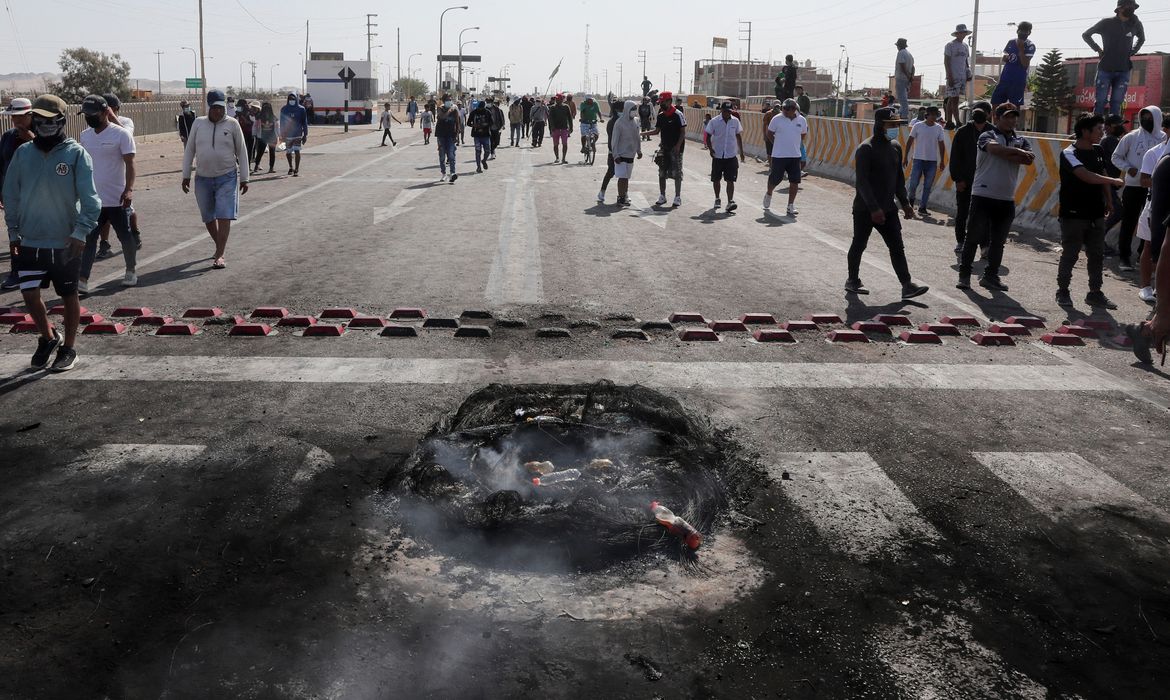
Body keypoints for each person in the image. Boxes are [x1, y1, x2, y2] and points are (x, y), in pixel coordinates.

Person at [3, 94, 101, 371]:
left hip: (65, 241)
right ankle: (48, 337)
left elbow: (92, 200)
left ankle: (68, 348)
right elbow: (10, 194)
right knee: (29, 293)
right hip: (30, 240)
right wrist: (13, 231)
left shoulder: (76, 153)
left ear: (61, 121)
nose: (43, 124)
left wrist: (81, 232)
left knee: (69, 295)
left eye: (49, 119)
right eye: (39, 118)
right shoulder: (23, 154)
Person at [846, 107, 929, 299]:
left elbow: (898, 179)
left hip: (889, 208)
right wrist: (874, 208)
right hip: (865, 209)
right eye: (891, 125)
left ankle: (907, 285)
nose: (894, 128)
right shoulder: (866, 149)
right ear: (879, 124)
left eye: (896, 125)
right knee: (859, 244)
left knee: (897, 246)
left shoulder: (895, 147)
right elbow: (862, 183)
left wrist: (905, 203)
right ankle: (852, 280)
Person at [956, 103, 1034, 291]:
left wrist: (1013, 153)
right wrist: (1016, 153)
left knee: (998, 242)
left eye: (1014, 117)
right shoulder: (987, 135)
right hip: (983, 194)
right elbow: (994, 149)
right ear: (996, 119)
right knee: (973, 237)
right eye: (1007, 117)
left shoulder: (1021, 140)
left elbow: (1029, 159)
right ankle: (964, 275)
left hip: (1006, 198)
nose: (1012, 120)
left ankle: (990, 276)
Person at [1055, 113, 1126, 309]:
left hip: (1096, 212)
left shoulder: (1098, 150)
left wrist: (1109, 200)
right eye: (1098, 130)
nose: (1101, 133)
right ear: (1085, 131)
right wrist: (1113, 181)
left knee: (1096, 254)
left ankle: (1095, 293)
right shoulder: (1069, 153)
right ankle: (1063, 291)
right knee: (1071, 253)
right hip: (1074, 213)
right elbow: (1084, 175)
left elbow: (1101, 173)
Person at [180, 89, 250, 269]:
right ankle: (219, 245)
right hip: (203, 178)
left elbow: (242, 151)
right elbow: (189, 151)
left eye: (221, 107)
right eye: (215, 108)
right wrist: (186, 175)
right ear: (208, 107)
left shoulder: (232, 124)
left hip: (227, 177)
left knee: (224, 214)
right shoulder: (198, 124)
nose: (219, 111)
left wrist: (245, 177)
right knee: (208, 216)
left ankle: (220, 254)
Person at [77, 94, 137, 290]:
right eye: (85, 114)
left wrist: (129, 190)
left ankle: (130, 270)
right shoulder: (85, 136)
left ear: (105, 112)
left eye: (92, 113)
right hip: (93, 201)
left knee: (125, 237)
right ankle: (83, 280)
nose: (88, 117)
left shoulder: (121, 134)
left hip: (117, 199)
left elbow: (130, 164)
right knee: (89, 240)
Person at [1110, 105, 1165, 271]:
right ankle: (1124, 257)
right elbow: (1116, 156)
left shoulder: (1164, 137)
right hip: (1133, 187)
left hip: (1154, 188)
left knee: (1149, 224)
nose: (1146, 120)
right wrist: (1128, 168)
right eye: (1143, 117)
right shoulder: (1131, 137)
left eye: (1150, 117)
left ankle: (1143, 256)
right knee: (1129, 222)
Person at [1082, 0, 1145, 117]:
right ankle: (1096, 130)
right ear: (1120, 8)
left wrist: (1133, 51)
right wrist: (1097, 49)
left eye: (1134, 7)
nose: (1132, 9)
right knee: (1100, 102)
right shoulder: (1107, 22)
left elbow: (1142, 39)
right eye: (1129, 6)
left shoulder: (1136, 24)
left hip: (1124, 70)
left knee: (1116, 103)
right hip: (1105, 69)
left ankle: (1112, 132)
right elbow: (1086, 35)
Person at [949, 100, 993, 257]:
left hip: (986, 182)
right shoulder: (962, 132)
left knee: (985, 216)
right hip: (965, 181)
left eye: (983, 111)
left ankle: (985, 246)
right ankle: (961, 241)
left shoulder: (994, 132)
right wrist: (958, 179)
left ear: (989, 114)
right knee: (962, 213)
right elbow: (955, 158)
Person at [1133, 115, 1170, 302]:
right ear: (1166, 130)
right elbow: (1144, 180)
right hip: (1154, 204)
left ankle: (1160, 286)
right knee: (1149, 244)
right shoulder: (1155, 153)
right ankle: (1146, 286)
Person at [0, 98, 34, 291]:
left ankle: (41, 269)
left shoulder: (41, 137)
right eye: (13, 116)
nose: (15, 120)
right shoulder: (7, 137)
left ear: (30, 115)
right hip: (12, 195)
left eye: (19, 116)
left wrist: (32, 139)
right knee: (14, 233)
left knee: (35, 233)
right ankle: (16, 272)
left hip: (36, 195)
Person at [764, 98, 808, 217]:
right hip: (779, 155)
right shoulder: (777, 119)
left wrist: (794, 143)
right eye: (783, 108)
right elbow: (769, 133)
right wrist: (777, 143)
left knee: (794, 181)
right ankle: (769, 193)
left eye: (786, 109)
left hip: (795, 155)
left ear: (793, 109)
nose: (783, 111)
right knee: (775, 179)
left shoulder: (802, 120)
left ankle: (790, 205)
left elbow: (803, 134)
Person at [641, 91, 686, 207]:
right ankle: (662, 196)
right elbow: (657, 131)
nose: (661, 104)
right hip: (664, 148)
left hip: (676, 149)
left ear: (669, 101)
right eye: (660, 102)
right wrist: (642, 134)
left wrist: (678, 146)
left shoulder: (678, 114)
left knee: (677, 173)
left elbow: (682, 132)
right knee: (662, 172)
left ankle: (677, 197)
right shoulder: (661, 116)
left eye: (662, 102)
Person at [903, 105, 946, 216]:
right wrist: (905, 157)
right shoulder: (917, 126)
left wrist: (942, 160)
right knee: (913, 184)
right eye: (932, 114)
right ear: (927, 115)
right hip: (918, 160)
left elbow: (942, 145)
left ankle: (922, 207)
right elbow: (910, 141)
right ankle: (910, 203)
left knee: (927, 186)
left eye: (935, 115)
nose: (934, 117)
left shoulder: (938, 128)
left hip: (932, 162)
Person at [704, 101, 745, 212]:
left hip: (731, 155)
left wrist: (741, 152)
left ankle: (730, 201)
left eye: (729, 111)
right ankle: (717, 198)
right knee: (716, 179)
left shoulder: (735, 121)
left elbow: (738, 136)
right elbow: (708, 136)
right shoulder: (714, 121)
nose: (727, 113)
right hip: (717, 155)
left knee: (730, 180)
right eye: (725, 111)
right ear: (721, 110)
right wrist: (710, 148)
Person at [992, 22, 1035, 108]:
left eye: (1025, 31)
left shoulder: (1030, 46)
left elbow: (1025, 64)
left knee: (1015, 106)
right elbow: (1005, 58)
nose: (1022, 33)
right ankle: (996, 121)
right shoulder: (1011, 42)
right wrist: (1005, 58)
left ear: (1029, 33)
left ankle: (1015, 121)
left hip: (1017, 81)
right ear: (1017, 31)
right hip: (1005, 78)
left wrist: (1021, 49)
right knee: (995, 103)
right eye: (1020, 31)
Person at [1101, 114, 1128, 248]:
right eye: (1118, 125)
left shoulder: (1110, 139)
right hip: (1107, 183)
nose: (1121, 127)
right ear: (1108, 127)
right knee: (1118, 211)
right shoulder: (1111, 140)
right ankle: (1098, 239)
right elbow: (1123, 154)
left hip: (1106, 183)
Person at [610, 100, 643, 207]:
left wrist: (639, 150)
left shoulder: (636, 121)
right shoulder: (619, 123)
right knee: (622, 177)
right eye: (632, 109)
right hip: (621, 155)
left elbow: (637, 137)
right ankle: (620, 197)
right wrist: (615, 155)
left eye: (635, 109)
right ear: (627, 109)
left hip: (631, 154)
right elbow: (614, 140)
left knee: (627, 177)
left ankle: (624, 196)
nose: (634, 111)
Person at [944, 24, 973, 130]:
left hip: (962, 76)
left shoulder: (965, 46)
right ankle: (957, 121)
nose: (963, 34)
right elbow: (946, 61)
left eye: (964, 32)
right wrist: (949, 75)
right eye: (961, 32)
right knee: (954, 99)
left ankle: (949, 120)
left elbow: (966, 61)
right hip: (953, 75)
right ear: (957, 33)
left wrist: (968, 73)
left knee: (953, 99)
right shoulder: (950, 45)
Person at [597, 99, 623, 204]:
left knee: (624, 175)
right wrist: (614, 152)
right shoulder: (612, 122)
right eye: (622, 109)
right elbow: (611, 139)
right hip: (614, 152)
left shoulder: (625, 121)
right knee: (611, 172)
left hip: (624, 152)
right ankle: (602, 192)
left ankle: (623, 194)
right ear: (617, 110)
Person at [279, 92, 308, 176]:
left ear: (296, 99)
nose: (292, 100)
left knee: (297, 151)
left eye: (293, 99)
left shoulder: (301, 109)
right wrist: (282, 135)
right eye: (290, 99)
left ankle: (297, 169)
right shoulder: (284, 109)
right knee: (288, 152)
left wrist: (305, 134)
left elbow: (304, 122)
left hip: (298, 134)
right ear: (288, 100)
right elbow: (282, 122)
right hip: (287, 134)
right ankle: (290, 167)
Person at [434, 94, 460, 182]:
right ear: (444, 101)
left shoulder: (455, 110)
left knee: (451, 155)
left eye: (450, 99)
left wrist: (457, 135)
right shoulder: (440, 109)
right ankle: (444, 173)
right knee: (442, 155)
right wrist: (449, 110)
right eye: (448, 100)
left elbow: (457, 123)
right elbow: (442, 116)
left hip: (451, 135)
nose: (449, 101)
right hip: (441, 135)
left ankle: (452, 173)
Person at [469, 99, 493, 173]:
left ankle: (484, 160)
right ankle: (478, 167)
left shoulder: (488, 112)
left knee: (488, 151)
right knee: (478, 151)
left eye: (482, 108)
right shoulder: (474, 113)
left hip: (486, 135)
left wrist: (486, 125)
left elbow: (492, 122)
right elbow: (468, 123)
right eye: (479, 108)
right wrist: (474, 125)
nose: (480, 109)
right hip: (477, 135)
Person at [252, 101, 277, 173]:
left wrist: (279, 135)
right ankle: (256, 165)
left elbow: (277, 127)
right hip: (262, 137)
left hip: (272, 137)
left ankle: (271, 168)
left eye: (268, 108)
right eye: (265, 107)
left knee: (272, 153)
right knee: (260, 152)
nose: (266, 109)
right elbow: (255, 126)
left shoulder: (274, 117)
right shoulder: (259, 117)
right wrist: (254, 133)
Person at [547, 94, 572, 163]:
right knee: (556, 145)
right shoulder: (552, 107)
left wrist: (571, 127)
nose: (556, 100)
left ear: (561, 99)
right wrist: (551, 128)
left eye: (558, 99)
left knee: (565, 144)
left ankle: (563, 158)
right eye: (556, 99)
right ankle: (557, 158)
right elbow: (550, 119)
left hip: (564, 128)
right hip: (555, 129)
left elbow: (570, 118)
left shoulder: (566, 107)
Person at [894, 38, 914, 120]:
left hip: (901, 78)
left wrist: (907, 75)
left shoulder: (901, 53)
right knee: (903, 98)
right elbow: (913, 67)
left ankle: (904, 116)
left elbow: (902, 65)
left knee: (902, 99)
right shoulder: (909, 54)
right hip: (907, 79)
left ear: (899, 45)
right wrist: (911, 76)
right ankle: (901, 114)